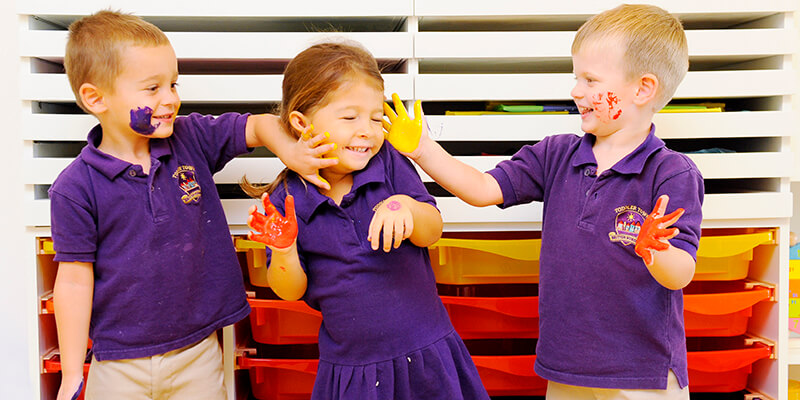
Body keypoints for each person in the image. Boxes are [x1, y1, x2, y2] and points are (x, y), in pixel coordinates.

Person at [384, 4, 704, 399]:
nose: (575, 91)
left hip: (643, 374)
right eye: (576, 77)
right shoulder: (557, 155)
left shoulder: (671, 172)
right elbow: (483, 189)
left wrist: (657, 250)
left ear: (642, 89)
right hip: (566, 366)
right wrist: (424, 150)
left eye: (589, 79)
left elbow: (682, 272)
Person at [50, 10, 336, 400]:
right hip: (117, 364)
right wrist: (70, 375)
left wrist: (291, 151)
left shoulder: (191, 138)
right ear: (95, 98)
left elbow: (258, 125)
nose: (171, 98)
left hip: (198, 353)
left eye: (173, 84)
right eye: (153, 89)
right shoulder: (74, 188)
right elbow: (73, 280)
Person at [241, 41, 490, 400]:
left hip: (427, 356)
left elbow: (432, 230)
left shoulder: (387, 162)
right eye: (349, 117)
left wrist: (406, 206)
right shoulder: (287, 200)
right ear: (301, 123)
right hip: (353, 373)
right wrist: (283, 251)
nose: (368, 130)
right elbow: (290, 289)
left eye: (376, 118)